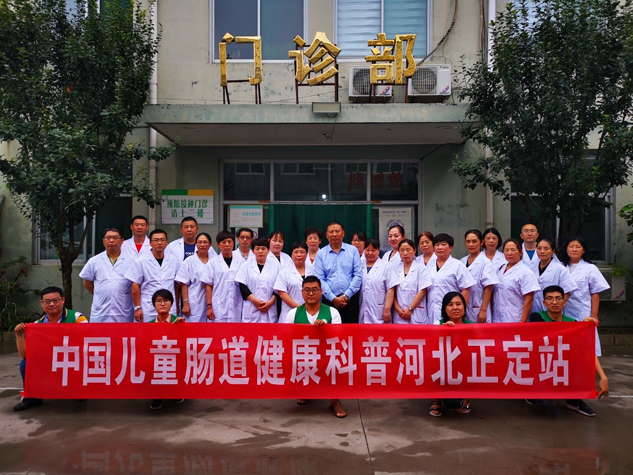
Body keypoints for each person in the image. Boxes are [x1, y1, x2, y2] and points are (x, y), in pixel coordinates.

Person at [527, 285, 609, 416]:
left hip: (561, 365)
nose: (554, 302)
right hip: (542, 367)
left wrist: (603, 377)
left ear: (564, 302)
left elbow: (587, 350)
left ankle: (574, 400)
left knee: (580, 356)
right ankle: (533, 392)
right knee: (546, 402)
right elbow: (550, 332)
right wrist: (579, 326)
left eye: (558, 298)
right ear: (544, 303)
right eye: (550, 298)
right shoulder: (536, 317)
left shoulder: (571, 322)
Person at [13, 286, 88, 412]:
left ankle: (79, 389)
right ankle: (33, 398)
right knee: (25, 364)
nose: (52, 304)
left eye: (55, 300)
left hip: (73, 358)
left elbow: (87, 340)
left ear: (62, 300)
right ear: (42, 303)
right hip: (50, 360)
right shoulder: (37, 326)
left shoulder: (77, 318)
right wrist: (19, 335)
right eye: (47, 301)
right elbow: (25, 355)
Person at [283, 276, 346, 418]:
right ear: (302, 292)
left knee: (337, 360)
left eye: (314, 290)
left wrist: (325, 328)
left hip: (327, 353)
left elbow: (339, 338)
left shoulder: (332, 312)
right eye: (307, 290)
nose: (311, 293)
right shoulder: (293, 313)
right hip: (304, 353)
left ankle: (334, 400)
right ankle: (306, 391)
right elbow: (287, 338)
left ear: (321, 292)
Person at [559, 236, 610, 357]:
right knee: (565, 344)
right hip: (562, 311)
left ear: (583, 250)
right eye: (571, 246)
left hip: (582, 311)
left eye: (578, 247)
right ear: (566, 249)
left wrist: (594, 314)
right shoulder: (559, 267)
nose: (574, 249)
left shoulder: (590, 268)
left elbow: (595, 292)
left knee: (585, 344)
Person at [429, 292, 473, 417]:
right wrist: (442, 332)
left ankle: (466, 398)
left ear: (464, 307)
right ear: (445, 309)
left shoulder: (471, 327)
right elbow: (429, 350)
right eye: (450, 304)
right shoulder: (438, 325)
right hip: (442, 369)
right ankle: (436, 400)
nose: (455, 307)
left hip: (462, 370)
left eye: (458, 304)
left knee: (454, 403)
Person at [79, 227, 135, 323]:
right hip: (101, 311)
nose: (111, 240)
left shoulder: (132, 261)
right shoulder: (94, 261)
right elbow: (87, 282)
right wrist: (99, 293)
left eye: (115, 238)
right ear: (103, 241)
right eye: (108, 238)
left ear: (122, 241)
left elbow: (136, 283)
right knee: (99, 332)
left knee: (123, 332)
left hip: (123, 311)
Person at [125, 229, 181, 322]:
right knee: (147, 330)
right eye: (156, 240)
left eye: (162, 240)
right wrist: (137, 307)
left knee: (169, 330)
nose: (159, 243)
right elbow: (135, 285)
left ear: (166, 243)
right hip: (148, 307)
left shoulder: (174, 260)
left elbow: (177, 284)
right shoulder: (141, 261)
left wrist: (177, 304)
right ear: (150, 243)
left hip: (169, 306)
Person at [314, 221, 363, 324]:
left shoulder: (353, 250)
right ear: (327, 235)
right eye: (331, 232)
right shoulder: (321, 254)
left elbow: (358, 275)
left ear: (343, 233)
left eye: (337, 231)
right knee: (329, 331)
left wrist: (346, 296)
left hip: (350, 300)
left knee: (350, 331)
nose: (334, 234)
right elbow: (320, 279)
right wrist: (333, 298)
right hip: (329, 301)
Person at [148, 289, 185, 410]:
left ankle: (176, 391)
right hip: (156, 360)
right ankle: (157, 396)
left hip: (174, 358)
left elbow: (186, 344)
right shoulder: (149, 325)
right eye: (159, 301)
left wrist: (182, 328)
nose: (162, 304)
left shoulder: (178, 321)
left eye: (166, 300)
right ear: (154, 304)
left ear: (172, 304)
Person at [426, 234, 476, 325]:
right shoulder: (429, 265)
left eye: (443, 244)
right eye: (437, 245)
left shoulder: (458, 265)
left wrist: (460, 311)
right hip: (432, 309)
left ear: (450, 248)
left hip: (452, 311)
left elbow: (466, 288)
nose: (440, 247)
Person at [493, 238, 541, 323]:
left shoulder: (525, 272)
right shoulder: (501, 269)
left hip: (515, 318)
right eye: (506, 250)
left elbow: (529, 299)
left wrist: (523, 321)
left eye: (513, 250)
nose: (509, 253)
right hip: (498, 317)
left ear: (520, 252)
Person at [235, 236, 280, 323]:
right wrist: (255, 301)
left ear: (268, 250)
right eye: (257, 249)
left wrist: (271, 302)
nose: (260, 251)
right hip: (251, 307)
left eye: (263, 248)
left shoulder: (276, 266)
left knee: (269, 331)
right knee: (251, 331)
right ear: (253, 251)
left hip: (270, 307)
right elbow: (242, 286)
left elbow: (279, 286)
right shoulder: (245, 266)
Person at [203, 231, 245, 322]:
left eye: (229, 242)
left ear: (233, 243)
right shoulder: (212, 263)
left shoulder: (241, 262)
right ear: (218, 245)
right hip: (218, 304)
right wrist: (209, 306)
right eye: (223, 242)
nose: (227, 245)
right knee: (218, 329)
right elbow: (209, 285)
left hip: (236, 303)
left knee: (236, 329)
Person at [461, 230, 499, 323]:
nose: (471, 244)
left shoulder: (486, 262)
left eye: (474, 241)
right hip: (464, 307)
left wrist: (483, 310)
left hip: (479, 306)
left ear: (481, 242)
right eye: (468, 241)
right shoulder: (462, 261)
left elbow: (488, 287)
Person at [531, 238, 578, 313]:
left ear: (553, 251)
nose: (542, 251)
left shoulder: (560, 269)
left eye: (546, 249)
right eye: (539, 248)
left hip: (553, 312)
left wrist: (556, 306)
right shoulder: (531, 268)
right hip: (533, 309)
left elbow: (567, 292)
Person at [359, 238, 399, 324]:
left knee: (380, 332)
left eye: (373, 250)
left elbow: (391, 288)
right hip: (363, 308)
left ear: (378, 250)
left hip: (379, 310)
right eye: (367, 250)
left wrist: (387, 310)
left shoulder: (386, 266)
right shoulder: (359, 265)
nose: (370, 253)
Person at [175, 233, 214, 322]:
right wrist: (185, 303)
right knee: (193, 327)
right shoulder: (189, 261)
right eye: (199, 242)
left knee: (212, 328)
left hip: (213, 302)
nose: (202, 245)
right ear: (196, 244)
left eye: (205, 242)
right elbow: (184, 283)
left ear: (210, 245)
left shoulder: (215, 260)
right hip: (194, 301)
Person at [393, 239, 433, 324]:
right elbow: (392, 290)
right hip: (399, 313)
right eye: (402, 250)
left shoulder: (421, 268)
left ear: (414, 250)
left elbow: (423, 290)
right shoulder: (395, 268)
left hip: (416, 312)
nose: (405, 253)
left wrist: (410, 308)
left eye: (408, 250)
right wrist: (397, 308)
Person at [274, 241, 313, 323]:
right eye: (296, 252)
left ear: (306, 254)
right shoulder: (284, 272)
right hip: (289, 312)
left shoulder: (313, 271)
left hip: (310, 311)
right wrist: (298, 307)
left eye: (302, 252)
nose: (299, 255)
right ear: (291, 254)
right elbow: (282, 293)